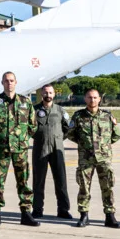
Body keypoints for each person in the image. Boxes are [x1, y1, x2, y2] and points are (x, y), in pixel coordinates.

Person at [0, 71, 38, 227]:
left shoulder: (26, 102)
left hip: (20, 149)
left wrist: (22, 138)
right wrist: (0, 136)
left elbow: (33, 126)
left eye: (12, 80)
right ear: (2, 83)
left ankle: (26, 213)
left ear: (16, 82)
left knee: (24, 182)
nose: (9, 83)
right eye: (6, 81)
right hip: (2, 149)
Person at [67, 87, 120, 228]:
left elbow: (116, 135)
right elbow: (71, 134)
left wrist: (103, 146)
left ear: (99, 99)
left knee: (108, 187)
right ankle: (84, 216)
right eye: (89, 97)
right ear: (85, 99)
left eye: (95, 97)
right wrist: (85, 145)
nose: (92, 100)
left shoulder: (107, 116)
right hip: (86, 159)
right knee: (84, 188)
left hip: (104, 158)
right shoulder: (78, 116)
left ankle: (110, 216)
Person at [31, 83, 72, 220]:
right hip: (40, 149)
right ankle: (37, 209)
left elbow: (68, 128)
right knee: (38, 181)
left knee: (61, 180)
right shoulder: (34, 110)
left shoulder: (60, 110)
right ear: (41, 94)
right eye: (45, 93)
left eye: (50, 93)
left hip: (57, 148)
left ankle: (63, 210)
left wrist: (59, 138)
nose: (48, 95)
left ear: (54, 94)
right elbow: (28, 127)